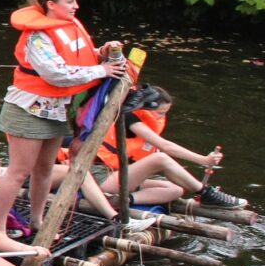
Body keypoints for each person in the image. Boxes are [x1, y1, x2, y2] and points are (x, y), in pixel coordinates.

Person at [0, 0, 130, 238]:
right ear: (51, 4)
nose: (76, 6)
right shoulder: (37, 36)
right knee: (19, 172)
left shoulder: (68, 27)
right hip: (29, 109)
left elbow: (77, 57)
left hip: (57, 110)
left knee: (45, 168)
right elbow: (57, 74)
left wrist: (100, 54)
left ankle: (37, 220)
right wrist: (102, 70)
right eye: (70, 2)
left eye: (75, 1)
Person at [95, 85, 230, 210]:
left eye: (165, 113)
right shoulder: (129, 117)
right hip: (104, 176)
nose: (162, 117)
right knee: (160, 158)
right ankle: (205, 192)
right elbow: (166, 146)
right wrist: (204, 160)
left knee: (176, 189)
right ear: (146, 108)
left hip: (123, 175)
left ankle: (122, 201)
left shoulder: (148, 121)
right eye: (160, 113)